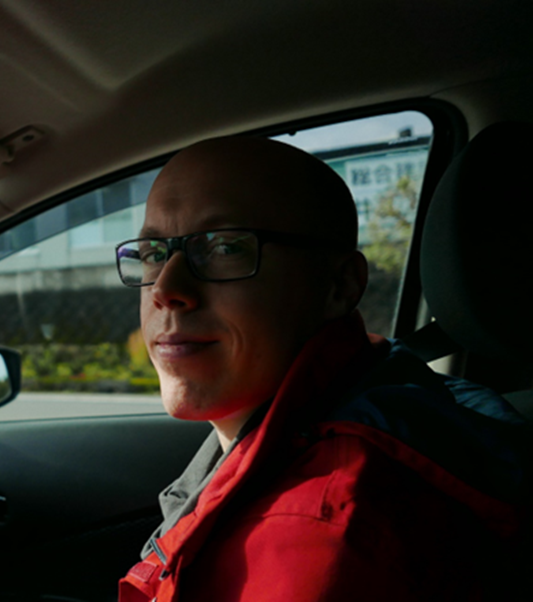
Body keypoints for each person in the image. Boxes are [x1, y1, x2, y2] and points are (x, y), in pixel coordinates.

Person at [116, 136, 526, 601]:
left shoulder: (320, 531)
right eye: (153, 253)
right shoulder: (390, 393)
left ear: (338, 285)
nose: (166, 288)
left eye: (224, 247)